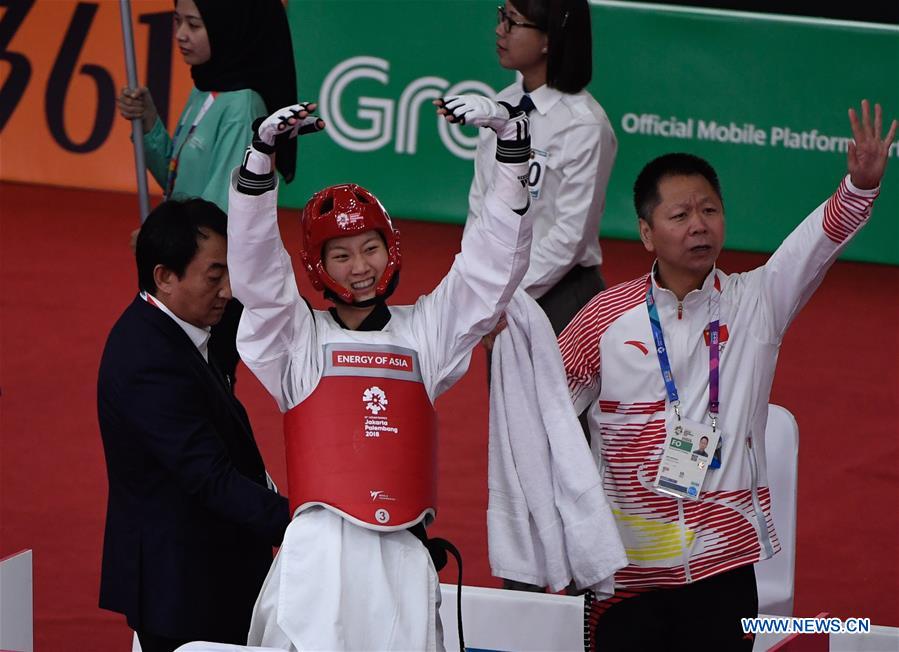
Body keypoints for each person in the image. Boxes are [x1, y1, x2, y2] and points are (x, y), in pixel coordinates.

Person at [558, 100, 895, 650]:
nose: (699, 226)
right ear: (646, 233)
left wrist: (858, 188)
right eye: (681, 215)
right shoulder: (604, 319)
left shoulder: (757, 301)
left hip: (724, 567)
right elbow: (545, 413)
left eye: (709, 210)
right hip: (628, 574)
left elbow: (815, 245)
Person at [226, 98, 532, 650]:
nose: (360, 267)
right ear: (318, 266)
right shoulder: (297, 339)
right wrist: (259, 163)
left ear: (391, 249)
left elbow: (489, 272)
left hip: (402, 553)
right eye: (340, 255)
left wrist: (510, 150)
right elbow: (258, 275)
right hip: (319, 555)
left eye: (370, 248)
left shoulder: (425, 333)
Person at [97, 200, 290, 652]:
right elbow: (210, 478)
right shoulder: (148, 361)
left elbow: (269, 308)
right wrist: (307, 525)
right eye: (214, 275)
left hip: (213, 568)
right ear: (164, 277)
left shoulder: (191, 319)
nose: (228, 290)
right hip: (184, 591)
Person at [116, 0, 297, 382]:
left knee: (205, 384)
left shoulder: (243, 105)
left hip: (211, 280)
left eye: (194, 25)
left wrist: (159, 242)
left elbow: (218, 211)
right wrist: (148, 119)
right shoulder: (207, 90)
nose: (181, 35)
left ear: (228, 29)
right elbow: (175, 175)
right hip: (186, 268)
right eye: (178, 21)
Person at [466, 0, 616, 337]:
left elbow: (570, 237)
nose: (499, 29)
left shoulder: (585, 125)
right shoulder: (501, 103)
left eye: (512, 21)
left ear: (549, 40)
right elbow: (480, 203)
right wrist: (477, 285)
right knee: (500, 393)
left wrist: (504, 296)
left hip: (561, 294)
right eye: (500, 15)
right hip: (500, 292)